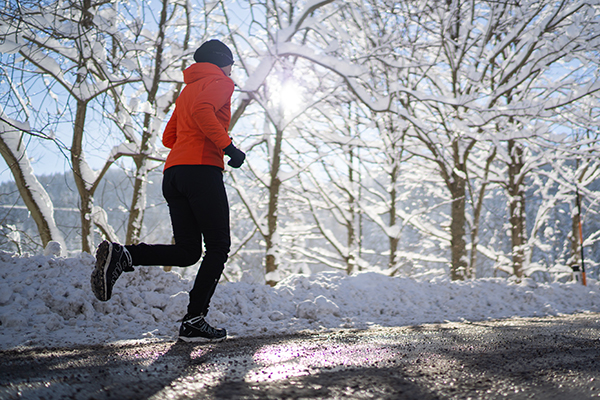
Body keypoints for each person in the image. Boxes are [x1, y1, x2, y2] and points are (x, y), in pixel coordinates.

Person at [90, 39, 245, 343]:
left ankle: (124, 255)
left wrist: (195, 144)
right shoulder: (221, 83)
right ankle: (194, 320)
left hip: (174, 173)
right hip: (201, 171)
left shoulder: (188, 89)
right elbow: (203, 113)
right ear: (221, 61)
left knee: (188, 252)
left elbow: (169, 136)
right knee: (218, 246)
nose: (231, 69)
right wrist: (228, 147)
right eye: (231, 62)